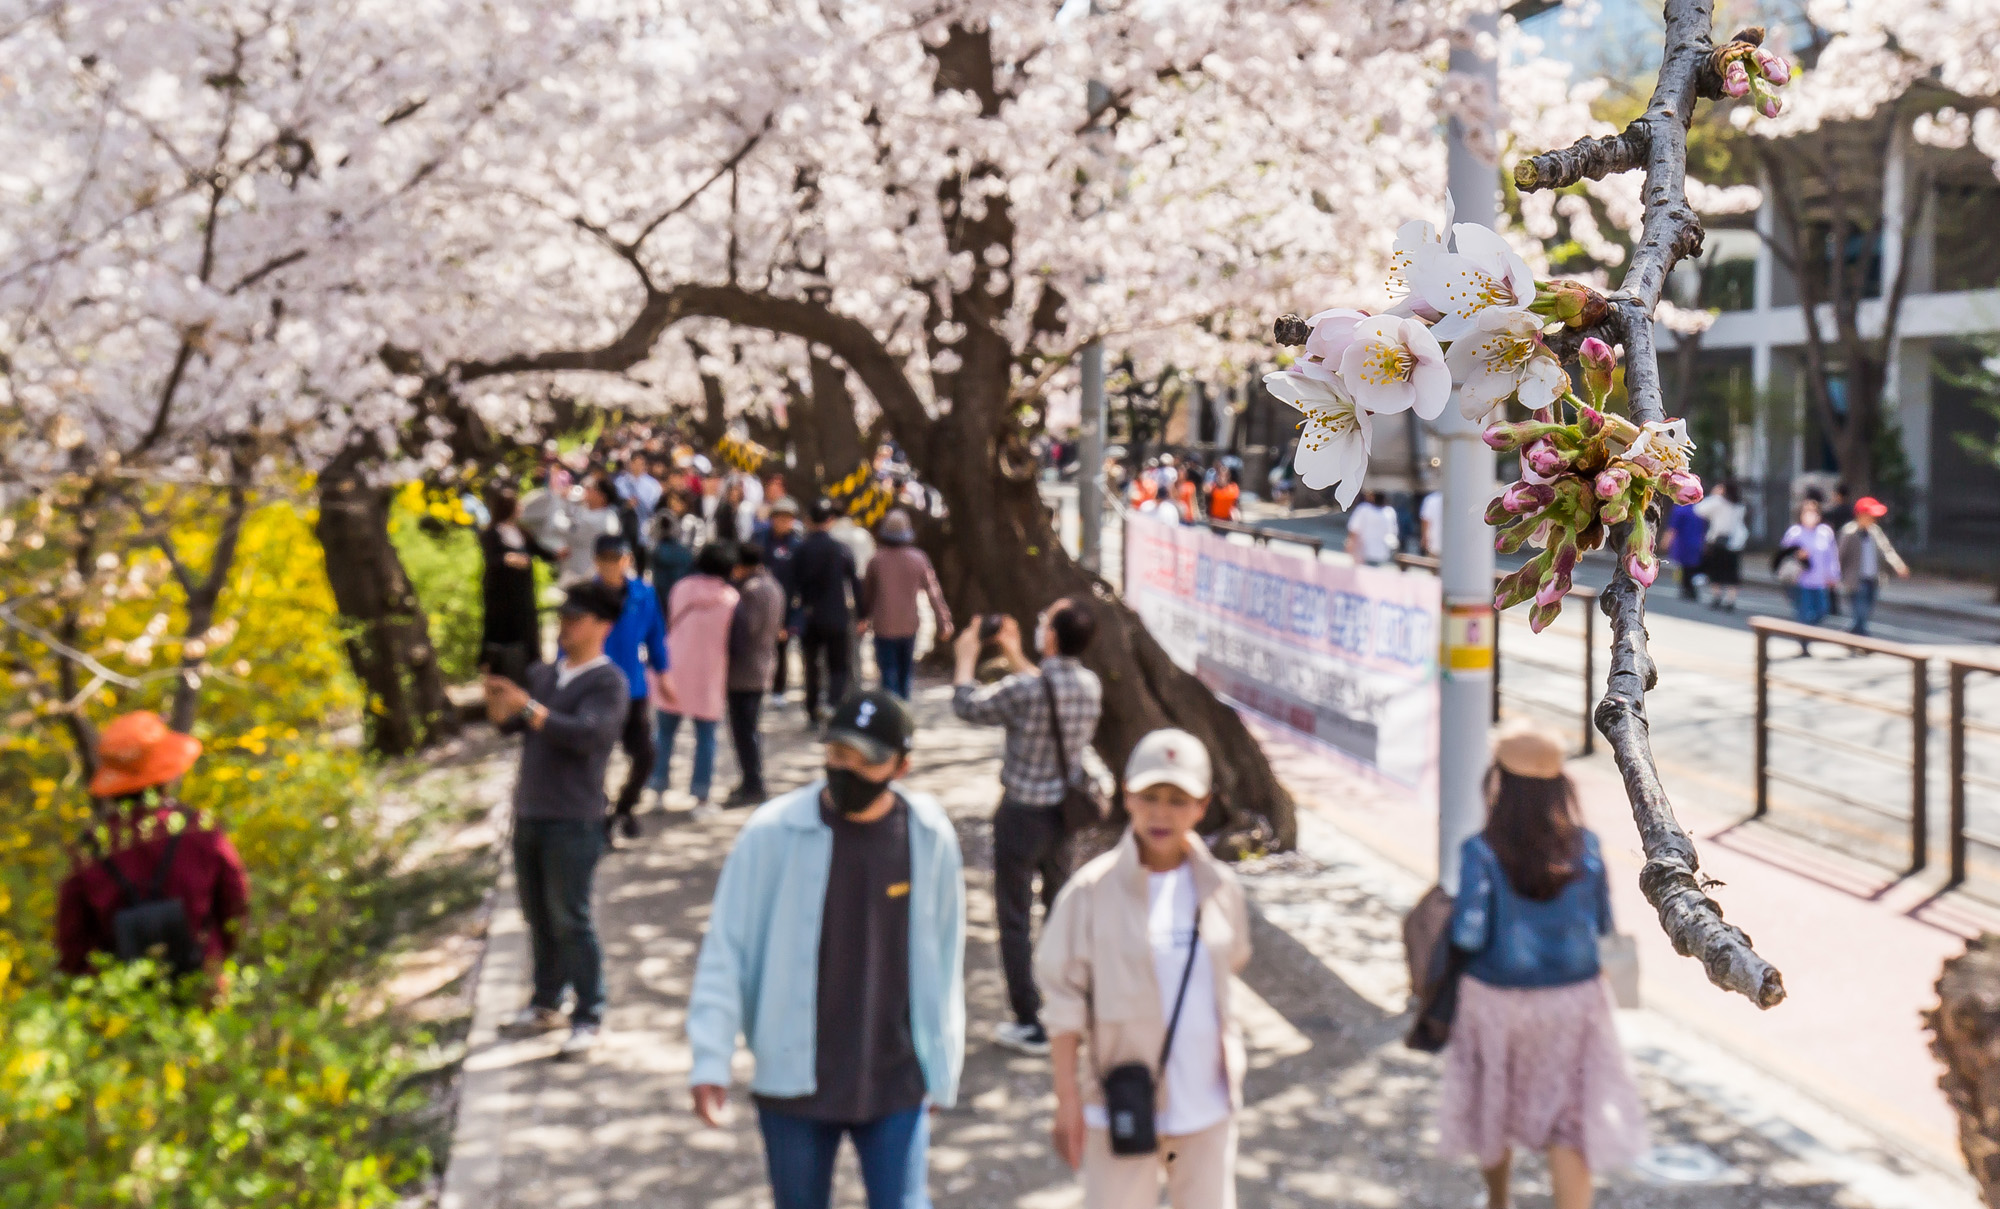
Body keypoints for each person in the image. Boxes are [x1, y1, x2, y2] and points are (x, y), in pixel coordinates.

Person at [687, 690, 966, 1209]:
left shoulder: (928, 836)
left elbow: (945, 956)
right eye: (839, 755)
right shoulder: (772, 833)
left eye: (867, 761)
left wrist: (941, 1066)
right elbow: (728, 947)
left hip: (895, 1077)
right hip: (794, 1082)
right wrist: (711, 1056)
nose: (848, 770)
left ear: (901, 767)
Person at [1035, 729, 1250, 1208]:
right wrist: (1067, 1099)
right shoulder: (1090, 892)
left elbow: (1231, 961)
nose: (1161, 813)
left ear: (1202, 806)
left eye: (1178, 799)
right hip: (1120, 1105)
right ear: (1127, 797)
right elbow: (1063, 1002)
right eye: (1149, 796)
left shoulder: (1221, 888)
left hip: (1206, 1107)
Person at [1437, 724, 1645, 1209]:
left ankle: (1498, 1202)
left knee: (1494, 1100)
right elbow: (1606, 926)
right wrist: (1627, 995)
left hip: (1496, 1000)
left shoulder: (1480, 850)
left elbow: (1468, 933)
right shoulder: (1587, 846)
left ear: (1500, 784)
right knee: (1570, 1121)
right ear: (1559, 786)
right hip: (1574, 1003)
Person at [483, 581, 631, 1057]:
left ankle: (590, 1012)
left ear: (601, 627)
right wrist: (497, 696)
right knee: (538, 917)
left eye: (575, 619)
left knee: (572, 918)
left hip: (576, 817)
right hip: (531, 811)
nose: (565, 627)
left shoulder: (609, 682)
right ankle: (546, 1001)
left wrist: (527, 705)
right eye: (562, 617)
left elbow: (587, 734)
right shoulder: (544, 674)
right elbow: (511, 725)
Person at [950, 598, 1103, 1055]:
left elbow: (968, 707)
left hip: (1020, 817)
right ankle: (1067, 1009)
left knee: (1015, 919)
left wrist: (965, 657)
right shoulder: (1090, 685)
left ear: (1051, 637)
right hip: (1065, 817)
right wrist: (1016, 653)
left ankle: (1029, 1020)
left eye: (1043, 623)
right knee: (1060, 912)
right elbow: (1045, 688)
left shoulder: (1023, 691)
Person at [56, 712, 250, 982]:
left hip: (121, 997)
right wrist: (218, 956)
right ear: (165, 775)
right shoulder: (199, 829)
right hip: (202, 982)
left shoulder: (91, 848)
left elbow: (72, 941)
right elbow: (236, 902)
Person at [592, 535, 672, 840]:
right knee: (596, 757)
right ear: (597, 562)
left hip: (633, 688)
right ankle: (600, 816)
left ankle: (624, 808)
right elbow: (567, 642)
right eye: (606, 559)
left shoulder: (644, 594)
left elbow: (656, 636)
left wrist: (664, 673)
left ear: (628, 560)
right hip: (596, 689)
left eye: (618, 559)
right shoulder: (585, 595)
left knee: (645, 755)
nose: (613, 566)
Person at [656, 542, 740, 815]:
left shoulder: (681, 588)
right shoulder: (730, 599)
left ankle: (657, 788)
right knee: (706, 737)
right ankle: (701, 797)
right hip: (709, 673)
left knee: (665, 733)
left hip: (674, 668)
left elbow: (670, 618)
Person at [861, 509, 953, 701]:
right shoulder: (919, 558)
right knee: (905, 672)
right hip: (909, 625)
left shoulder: (876, 560)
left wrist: (862, 619)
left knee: (887, 672)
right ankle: (903, 709)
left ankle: (891, 712)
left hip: (883, 626)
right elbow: (934, 593)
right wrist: (944, 621)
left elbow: (867, 595)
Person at [725, 542, 787, 806]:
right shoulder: (773, 585)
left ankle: (753, 782)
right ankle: (751, 780)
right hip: (762, 664)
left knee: (744, 729)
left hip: (745, 670)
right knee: (747, 727)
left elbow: (744, 630)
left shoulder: (751, 590)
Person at [793, 499, 862, 725]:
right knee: (838, 665)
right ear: (830, 521)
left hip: (809, 614)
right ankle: (832, 704)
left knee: (811, 664)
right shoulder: (840, 549)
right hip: (836, 614)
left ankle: (812, 707)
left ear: (808, 521)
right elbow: (854, 583)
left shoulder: (801, 549)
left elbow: (791, 584)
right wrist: (862, 614)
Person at [480, 485, 559, 672]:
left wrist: (558, 555)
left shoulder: (522, 532)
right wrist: (509, 559)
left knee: (526, 627)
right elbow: (493, 558)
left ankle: (530, 666)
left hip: (522, 592)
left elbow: (539, 551)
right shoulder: (491, 533)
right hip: (501, 594)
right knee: (500, 630)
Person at [753, 497, 807, 700]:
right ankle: (756, 685)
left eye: (788, 518)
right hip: (759, 600)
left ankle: (778, 689)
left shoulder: (797, 544)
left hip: (786, 601)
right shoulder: (760, 539)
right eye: (779, 518)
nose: (783, 522)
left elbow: (800, 578)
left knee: (781, 646)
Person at [1838, 496, 1910, 640]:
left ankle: (1853, 633)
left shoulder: (1875, 531)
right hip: (1855, 579)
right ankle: (1863, 638)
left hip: (1873, 578)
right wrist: (1834, 575)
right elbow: (1840, 555)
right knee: (1860, 610)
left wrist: (1898, 565)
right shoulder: (1849, 532)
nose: (1873, 519)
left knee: (1867, 609)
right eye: (1870, 515)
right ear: (1861, 515)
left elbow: (1887, 550)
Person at [1778, 498, 1840, 655]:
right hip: (1801, 580)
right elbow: (1784, 554)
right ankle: (1804, 643)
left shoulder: (1825, 532)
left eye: (1814, 512)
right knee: (1804, 613)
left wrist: (1833, 575)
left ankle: (1807, 633)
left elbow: (1831, 555)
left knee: (1822, 610)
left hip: (1819, 580)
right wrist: (1798, 554)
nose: (1811, 516)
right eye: (1807, 512)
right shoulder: (1795, 533)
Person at [560, 475, 626, 586]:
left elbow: (564, 528)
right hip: (574, 570)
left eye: (591, 488)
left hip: (590, 576)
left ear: (602, 496)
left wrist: (563, 501)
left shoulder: (606, 520)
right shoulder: (586, 511)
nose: (586, 491)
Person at [1694, 481, 1747, 611]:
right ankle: (1731, 600)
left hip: (1717, 540)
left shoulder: (1717, 502)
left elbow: (1699, 509)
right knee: (1731, 573)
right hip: (1735, 542)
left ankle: (1716, 597)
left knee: (1716, 570)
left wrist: (1713, 496)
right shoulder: (1739, 505)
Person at [651, 490, 698, 600]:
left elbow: (697, 546)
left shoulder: (692, 521)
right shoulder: (663, 517)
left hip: (685, 566)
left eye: (678, 501)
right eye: (672, 502)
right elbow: (652, 538)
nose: (675, 505)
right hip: (663, 564)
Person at [1664, 500, 1708, 601]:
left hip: (1682, 542)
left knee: (1683, 567)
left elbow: (1673, 528)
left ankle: (1686, 589)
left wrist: (1666, 541)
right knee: (1692, 567)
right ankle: (1691, 589)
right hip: (1697, 542)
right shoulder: (1700, 509)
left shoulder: (1680, 510)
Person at [1346, 490, 1398, 566]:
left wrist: (1351, 546)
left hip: (1363, 552)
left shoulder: (1363, 509)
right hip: (1381, 554)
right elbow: (1392, 533)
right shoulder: (1390, 512)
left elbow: (1354, 530)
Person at [1420, 489, 1444, 557]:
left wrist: (1424, 538)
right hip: (1452, 546)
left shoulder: (1430, 500)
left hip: (1434, 544)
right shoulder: (1456, 500)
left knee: (1433, 565)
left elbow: (1425, 520)